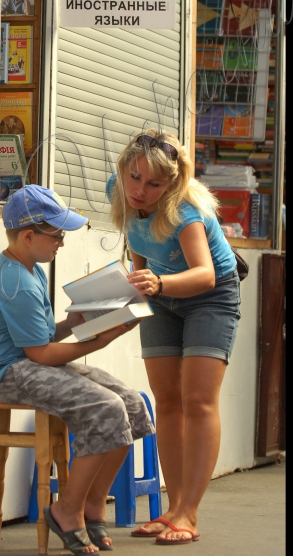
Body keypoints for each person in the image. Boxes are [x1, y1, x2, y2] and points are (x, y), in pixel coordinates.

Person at [0, 185, 155, 555]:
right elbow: (39, 354)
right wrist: (99, 340)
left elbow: (38, 339)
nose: (62, 244)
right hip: (4, 374)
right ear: (28, 235)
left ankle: (92, 504)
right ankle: (66, 510)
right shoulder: (15, 281)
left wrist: (72, 323)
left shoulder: (29, 269)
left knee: (131, 404)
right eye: (57, 236)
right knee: (105, 407)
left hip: (25, 362)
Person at [106, 129, 242, 546]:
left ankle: (190, 513)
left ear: (172, 184)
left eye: (152, 184)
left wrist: (158, 285)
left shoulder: (184, 211)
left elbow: (206, 273)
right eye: (134, 178)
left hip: (210, 297)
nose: (139, 190)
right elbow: (139, 247)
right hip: (161, 293)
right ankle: (173, 507)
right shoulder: (121, 192)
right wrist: (136, 286)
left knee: (198, 400)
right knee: (166, 400)